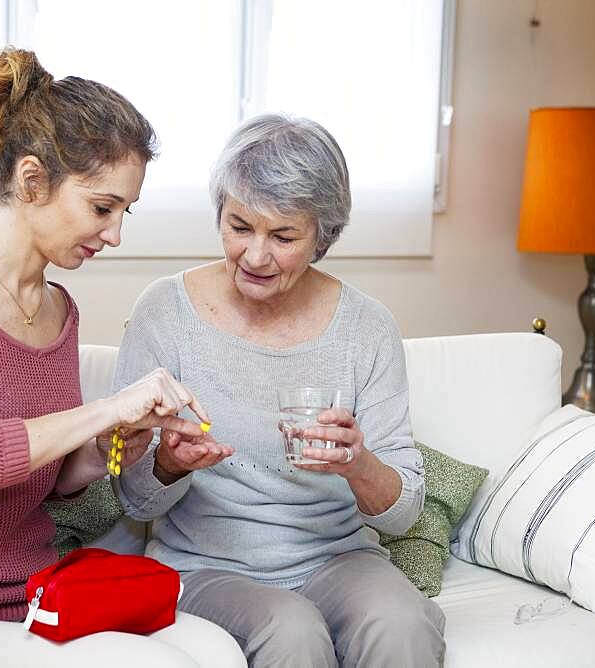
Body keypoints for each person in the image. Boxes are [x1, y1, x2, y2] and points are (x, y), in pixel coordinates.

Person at [0, 47, 244, 667]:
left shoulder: (59, 309)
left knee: (217, 649)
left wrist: (114, 443)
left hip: (32, 599)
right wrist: (105, 407)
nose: (115, 234)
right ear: (32, 181)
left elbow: (49, 482)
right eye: (102, 207)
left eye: (124, 212)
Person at [113, 114, 447, 667]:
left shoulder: (367, 327)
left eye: (284, 236)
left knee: (403, 624)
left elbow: (402, 514)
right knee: (290, 630)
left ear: (322, 235)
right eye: (239, 227)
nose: (255, 256)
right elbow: (133, 496)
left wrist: (358, 464)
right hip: (206, 565)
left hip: (338, 558)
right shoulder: (164, 312)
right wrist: (170, 465)